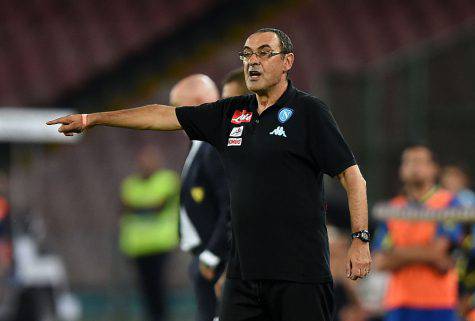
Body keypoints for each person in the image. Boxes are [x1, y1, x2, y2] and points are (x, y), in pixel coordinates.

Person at [47, 27, 370, 321]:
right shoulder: (231, 112)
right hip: (243, 274)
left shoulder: (308, 112)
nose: (252, 61)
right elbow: (162, 116)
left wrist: (360, 239)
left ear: (287, 62)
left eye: (263, 53)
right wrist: (94, 118)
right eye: (246, 54)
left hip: (299, 273)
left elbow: (352, 178)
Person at [373, 145, 462, 321]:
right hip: (399, 304)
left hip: (440, 304)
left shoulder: (449, 203)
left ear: (434, 168)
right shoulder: (392, 208)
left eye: (420, 161)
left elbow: (438, 253)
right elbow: (380, 262)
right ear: (401, 170)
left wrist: (397, 253)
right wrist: (428, 253)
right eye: (409, 162)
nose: (414, 167)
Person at [170, 74, 229, 321]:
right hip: (204, 258)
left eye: (176, 109)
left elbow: (231, 206)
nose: (173, 117)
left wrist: (212, 256)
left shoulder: (214, 146)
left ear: (196, 102)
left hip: (217, 262)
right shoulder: (199, 144)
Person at [119, 145, 180, 321]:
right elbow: (125, 206)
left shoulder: (167, 180)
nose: (145, 165)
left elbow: (158, 207)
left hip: (160, 243)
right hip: (137, 246)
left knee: (159, 287)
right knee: (145, 289)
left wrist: (137, 206)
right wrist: (146, 206)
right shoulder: (130, 184)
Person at [440, 165, 475, 320]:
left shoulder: (467, 199)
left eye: (455, 178)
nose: (451, 182)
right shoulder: (439, 201)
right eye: (448, 179)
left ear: (463, 180)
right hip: (451, 253)